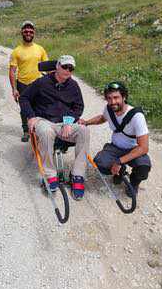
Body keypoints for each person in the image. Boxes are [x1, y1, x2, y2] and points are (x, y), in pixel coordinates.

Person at [19, 55, 90, 201]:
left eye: (71, 68)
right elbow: (24, 98)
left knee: (84, 130)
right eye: (65, 66)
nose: (67, 70)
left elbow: (79, 106)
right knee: (45, 132)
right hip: (43, 119)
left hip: (63, 122)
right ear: (57, 66)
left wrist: (69, 122)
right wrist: (31, 116)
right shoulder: (42, 82)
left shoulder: (73, 86)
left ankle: (77, 174)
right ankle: (50, 175)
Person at [79, 81, 151, 197]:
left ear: (124, 97)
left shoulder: (137, 116)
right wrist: (86, 123)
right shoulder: (109, 109)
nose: (112, 102)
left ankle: (133, 183)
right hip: (115, 147)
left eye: (116, 97)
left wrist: (119, 161)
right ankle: (120, 172)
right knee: (99, 163)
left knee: (143, 167)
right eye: (109, 98)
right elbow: (102, 118)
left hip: (133, 150)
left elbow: (143, 148)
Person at [9, 20, 48, 142]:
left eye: (31, 30)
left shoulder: (40, 49)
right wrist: (14, 89)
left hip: (38, 83)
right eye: (25, 30)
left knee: (39, 107)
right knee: (24, 109)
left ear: (34, 32)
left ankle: (37, 129)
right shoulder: (16, 51)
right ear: (22, 32)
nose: (28, 32)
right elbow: (12, 71)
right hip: (22, 84)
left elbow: (47, 67)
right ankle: (26, 131)